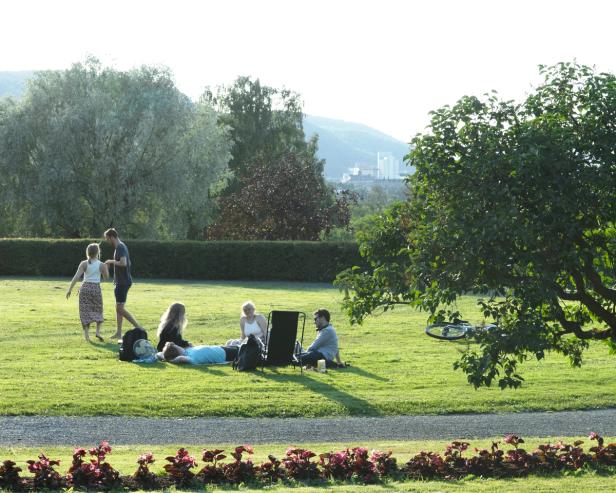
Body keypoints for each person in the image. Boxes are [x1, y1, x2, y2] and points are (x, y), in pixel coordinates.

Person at [66, 243, 109, 342]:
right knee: (98, 309)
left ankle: (87, 336)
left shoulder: (84, 263)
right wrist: (106, 267)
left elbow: (76, 277)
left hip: (85, 288)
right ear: (98, 252)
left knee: (84, 311)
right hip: (96, 289)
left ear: (88, 252)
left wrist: (69, 289)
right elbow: (106, 277)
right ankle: (97, 332)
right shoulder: (101, 265)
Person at [104, 228, 140, 340]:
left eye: (107, 239)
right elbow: (128, 262)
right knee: (118, 307)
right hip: (122, 281)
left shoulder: (120, 247)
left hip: (123, 282)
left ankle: (139, 328)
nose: (107, 241)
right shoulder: (121, 246)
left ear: (112, 237)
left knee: (120, 309)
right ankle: (118, 333)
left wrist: (110, 261)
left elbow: (124, 263)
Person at [161, 341, 238, 365]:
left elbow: (159, 354)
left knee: (239, 345)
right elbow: (179, 359)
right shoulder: (189, 358)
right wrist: (170, 360)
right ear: (177, 351)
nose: (179, 346)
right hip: (225, 354)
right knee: (244, 348)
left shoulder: (188, 351)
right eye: (177, 346)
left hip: (221, 348)